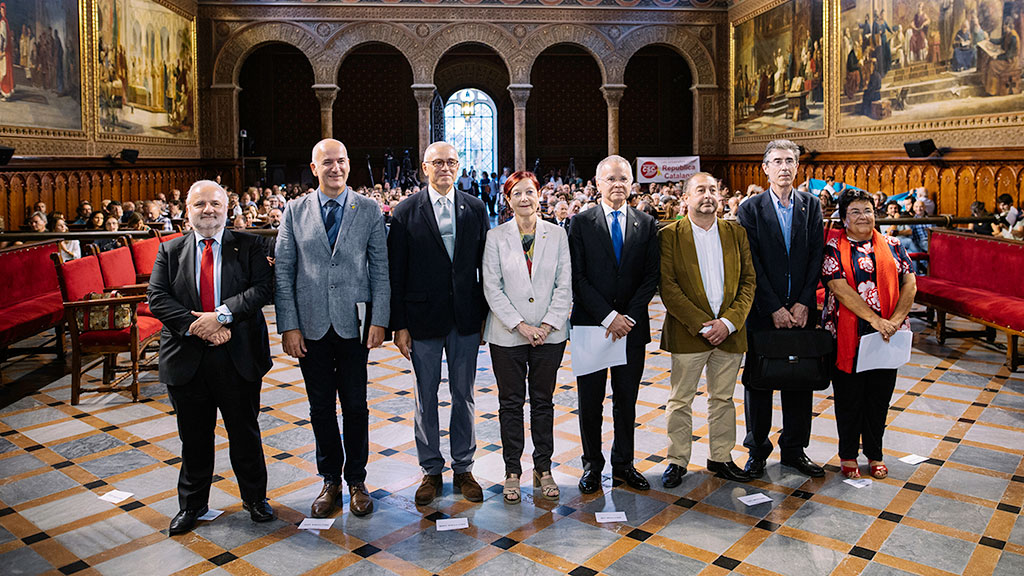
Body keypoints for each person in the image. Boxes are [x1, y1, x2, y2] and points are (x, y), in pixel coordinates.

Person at [147, 180, 275, 536]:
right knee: (194, 437)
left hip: (238, 356)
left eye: (215, 204)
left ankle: (255, 499)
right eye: (200, 204)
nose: (208, 210)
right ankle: (192, 505)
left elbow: (262, 289)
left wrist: (219, 315)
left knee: (245, 433)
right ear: (187, 210)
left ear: (227, 207)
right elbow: (156, 298)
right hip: (187, 358)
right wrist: (198, 325)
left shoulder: (250, 245)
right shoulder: (169, 251)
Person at [275, 139, 390, 518]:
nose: (335, 168)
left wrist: (379, 320)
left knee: (356, 406)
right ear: (314, 168)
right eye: (327, 162)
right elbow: (284, 272)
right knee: (321, 407)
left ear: (349, 164)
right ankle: (329, 480)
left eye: (341, 161)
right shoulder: (294, 211)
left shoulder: (369, 209)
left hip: (355, 325)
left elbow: (380, 270)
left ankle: (357, 480)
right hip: (310, 326)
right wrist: (288, 325)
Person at [388, 142, 490, 506]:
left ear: (459, 167)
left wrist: (484, 317)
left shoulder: (476, 208)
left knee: (463, 395)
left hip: (465, 318)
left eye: (451, 162)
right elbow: (395, 273)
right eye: (438, 163)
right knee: (424, 396)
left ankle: (463, 467)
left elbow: (486, 268)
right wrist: (399, 325)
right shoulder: (405, 211)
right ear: (424, 168)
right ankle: (430, 469)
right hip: (421, 319)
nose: (445, 168)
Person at [568, 154, 660, 494]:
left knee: (627, 399)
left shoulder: (647, 224)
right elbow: (578, 279)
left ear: (632, 184)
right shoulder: (580, 223)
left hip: (632, 329)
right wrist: (609, 317)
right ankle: (592, 465)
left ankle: (624, 463)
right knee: (590, 401)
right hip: (592, 325)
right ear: (597, 183)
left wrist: (628, 317)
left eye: (623, 178)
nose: (618, 184)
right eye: (611, 179)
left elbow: (651, 277)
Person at [659, 173, 756, 487]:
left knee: (723, 399)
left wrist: (727, 323)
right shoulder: (670, 235)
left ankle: (721, 456)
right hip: (689, 333)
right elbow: (669, 287)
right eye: (700, 190)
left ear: (721, 196)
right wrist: (704, 325)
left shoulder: (735, 233)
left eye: (713, 190)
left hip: (729, 332)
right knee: (680, 399)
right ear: (686, 198)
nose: (708, 196)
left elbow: (748, 282)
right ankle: (677, 460)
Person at [736, 139, 825, 479]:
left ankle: (794, 449)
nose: (784, 167)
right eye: (777, 161)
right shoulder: (751, 208)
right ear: (766, 168)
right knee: (759, 381)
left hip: (802, 309)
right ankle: (757, 450)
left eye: (790, 160)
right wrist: (774, 306)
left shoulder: (810, 205)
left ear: (798, 167)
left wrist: (804, 301)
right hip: (763, 310)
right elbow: (752, 262)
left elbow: (816, 253)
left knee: (798, 380)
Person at [482, 171, 571, 504]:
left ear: (539, 196)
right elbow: (492, 287)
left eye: (529, 192)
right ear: (508, 200)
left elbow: (565, 285)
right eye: (516, 193)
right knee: (510, 404)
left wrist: (546, 325)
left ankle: (543, 467)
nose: (524, 198)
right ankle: (512, 472)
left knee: (543, 402)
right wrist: (521, 325)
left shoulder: (558, 235)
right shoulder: (496, 237)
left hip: (550, 334)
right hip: (508, 335)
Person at [821, 189, 916, 480]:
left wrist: (895, 320)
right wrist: (875, 319)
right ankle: (848, 455)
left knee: (879, 398)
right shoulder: (834, 247)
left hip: (888, 333)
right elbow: (838, 287)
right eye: (855, 212)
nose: (863, 217)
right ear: (844, 218)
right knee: (849, 399)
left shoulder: (893, 244)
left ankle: (875, 454)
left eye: (868, 210)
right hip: (849, 334)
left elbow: (909, 282)